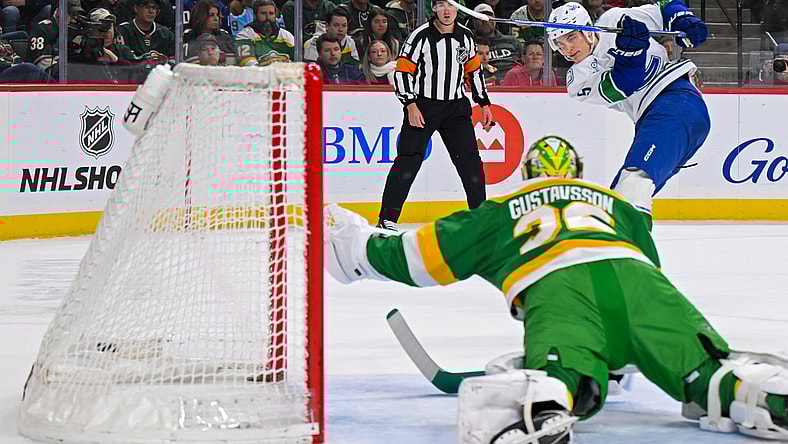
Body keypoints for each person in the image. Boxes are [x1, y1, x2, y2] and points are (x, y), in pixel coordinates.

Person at [324, 135, 788, 444]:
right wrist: (626, 349)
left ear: (527, 173)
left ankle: (536, 406)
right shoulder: (618, 207)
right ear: (579, 173)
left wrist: (356, 247)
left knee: (558, 381)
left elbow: (421, 257)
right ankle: (765, 395)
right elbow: (651, 266)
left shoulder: (504, 209)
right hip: (644, 288)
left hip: (560, 292)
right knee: (710, 373)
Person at [548, 1, 710, 228]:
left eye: (571, 38)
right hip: (655, 120)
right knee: (618, 205)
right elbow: (623, 85)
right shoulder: (578, 80)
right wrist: (630, 53)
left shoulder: (613, 20)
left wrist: (683, 19)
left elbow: (665, 6)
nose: (567, 49)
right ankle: (621, 253)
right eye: (560, 44)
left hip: (676, 103)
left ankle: (633, 255)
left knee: (633, 184)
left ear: (587, 30)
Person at [378, 0, 493, 231]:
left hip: (455, 108)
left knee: (470, 163)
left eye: (450, 6)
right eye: (441, 5)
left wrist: (483, 103)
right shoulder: (420, 37)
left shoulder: (466, 36)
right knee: (408, 160)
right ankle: (387, 218)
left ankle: (481, 218)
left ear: (457, 9)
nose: (447, 11)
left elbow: (474, 71)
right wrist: (410, 104)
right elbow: (402, 72)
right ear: (434, 9)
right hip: (423, 106)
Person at [471, 3, 521, 83]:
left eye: (489, 17)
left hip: (512, 85)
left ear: (495, 20)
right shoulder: (469, 42)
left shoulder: (512, 41)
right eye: (480, 18)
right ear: (473, 22)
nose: (485, 21)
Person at [235, 0, 295, 66]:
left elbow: (297, 60)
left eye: (271, 13)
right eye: (263, 13)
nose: (268, 17)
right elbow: (247, 63)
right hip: (257, 75)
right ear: (255, 15)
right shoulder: (245, 35)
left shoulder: (286, 36)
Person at [183, 0, 235, 65]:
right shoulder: (187, 38)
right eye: (211, 15)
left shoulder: (226, 37)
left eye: (217, 15)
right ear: (201, 16)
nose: (216, 19)